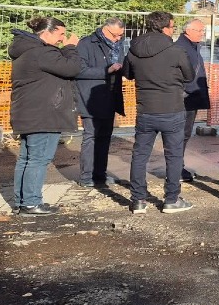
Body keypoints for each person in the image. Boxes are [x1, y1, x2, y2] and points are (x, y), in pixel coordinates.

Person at [8, 16, 83, 215]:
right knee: (38, 159)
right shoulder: (42, 53)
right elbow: (72, 68)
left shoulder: (26, 51)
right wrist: (71, 48)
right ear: (47, 32)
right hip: (44, 115)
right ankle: (32, 203)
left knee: (27, 158)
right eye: (60, 34)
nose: (62, 38)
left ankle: (23, 202)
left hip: (29, 114)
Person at [123, 12, 195, 214]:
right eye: (172, 27)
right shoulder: (176, 51)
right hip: (172, 109)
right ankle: (171, 199)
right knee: (173, 156)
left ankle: (138, 200)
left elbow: (127, 74)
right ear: (165, 28)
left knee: (139, 155)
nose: (173, 31)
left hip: (145, 110)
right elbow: (189, 76)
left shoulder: (134, 49)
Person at [73, 16, 126, 189]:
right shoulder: (87, 43)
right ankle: (87, 176)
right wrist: (106, 70)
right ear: (106, 30)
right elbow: (79, 70)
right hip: (91, 98)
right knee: (91, 136)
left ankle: (100, 174)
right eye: (116, 35)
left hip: (111, 96)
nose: (119, 39)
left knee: (104, 137)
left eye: (121, 36)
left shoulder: (118, 45)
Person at [175, 18, 210, 183]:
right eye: (200, 31)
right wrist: (186, 91)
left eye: (203, 31)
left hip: (191, 97)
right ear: (188, 31)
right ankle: (176, 169)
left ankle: (177, 167)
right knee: (180, 135)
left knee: (185, 134)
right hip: (185, 98)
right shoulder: (181, 48)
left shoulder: (192, 47)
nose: (202, 34)